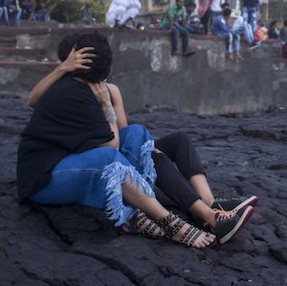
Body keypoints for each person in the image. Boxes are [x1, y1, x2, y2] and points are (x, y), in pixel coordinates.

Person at [26, 33, 257, 244]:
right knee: (121, 156)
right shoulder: (72, 92)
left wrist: (140, 146)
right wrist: (104, 107)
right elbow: (111, 146)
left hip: (82, 156)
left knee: (144, 136)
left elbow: (123, 134)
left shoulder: (104, 90)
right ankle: (186, 218)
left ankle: (208, 205)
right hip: (51, 173)